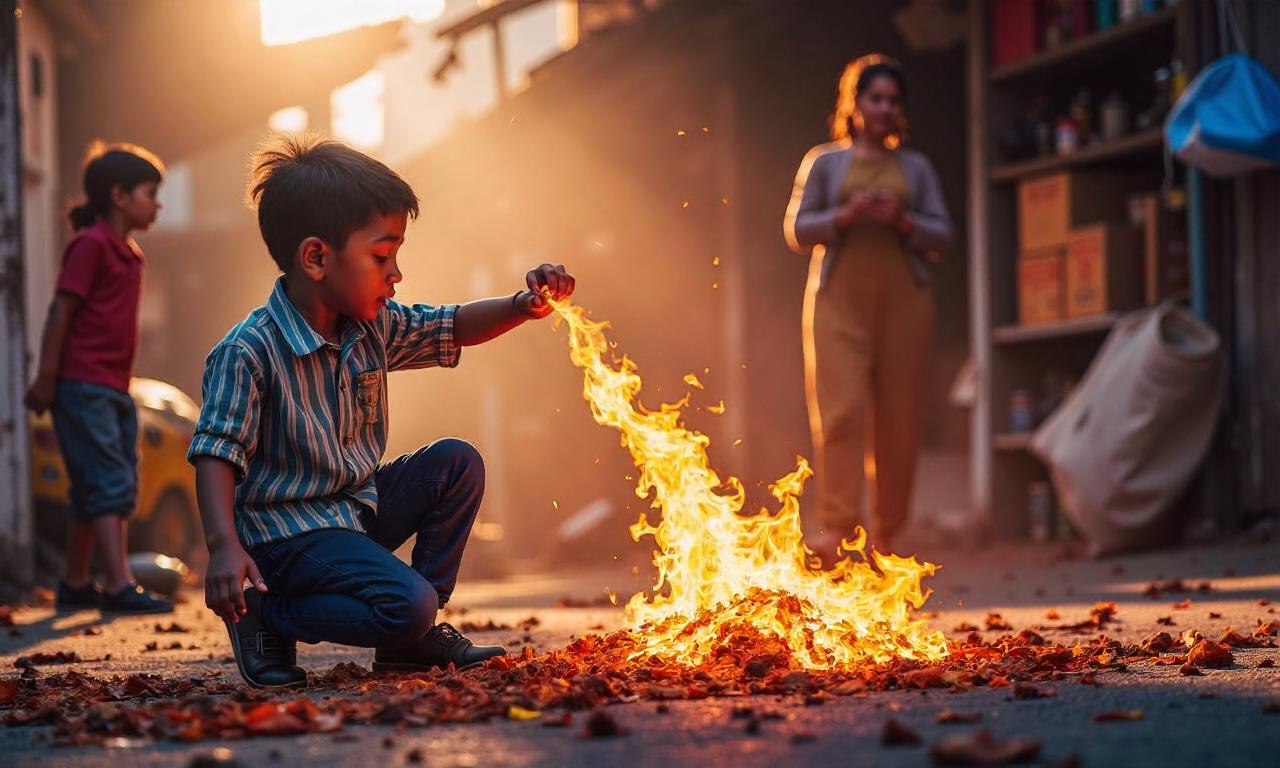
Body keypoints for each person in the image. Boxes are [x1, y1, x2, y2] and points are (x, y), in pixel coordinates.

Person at [188, 136, 575, 688]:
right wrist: (224, 550)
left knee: (456, 462)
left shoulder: (372, 327)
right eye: (381, 256)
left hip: (353, 513)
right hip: (283, 541)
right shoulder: (248, 352)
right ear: (316, 258)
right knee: (407, 605)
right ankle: (266, 613)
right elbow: (216, 453)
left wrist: (523, 304)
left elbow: (451, 324)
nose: (396, 274)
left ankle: (408, 638)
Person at [783, 55, 954, 560]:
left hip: (906, 306)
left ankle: (887, 535)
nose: (884, 108)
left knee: (899, 420)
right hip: (837, 305)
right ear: (854, 104)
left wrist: (902, 219)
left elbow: (943, 235)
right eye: (875, 98)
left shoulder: (916, 168)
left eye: (893, 101)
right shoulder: (823, 162)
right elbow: (796, 231)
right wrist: (846, 214)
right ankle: (838, 529)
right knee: (840, 415)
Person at [25, 142, 174, 614]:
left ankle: (75, 581)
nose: (157, 205)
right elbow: (61, 311)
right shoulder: (90, 245)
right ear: (119, 196)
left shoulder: (129, 254)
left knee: (100, 484)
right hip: (82, 384)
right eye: (150, 194)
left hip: (113, 386)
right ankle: (118, 584)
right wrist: (47, 376)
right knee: (109, 479)